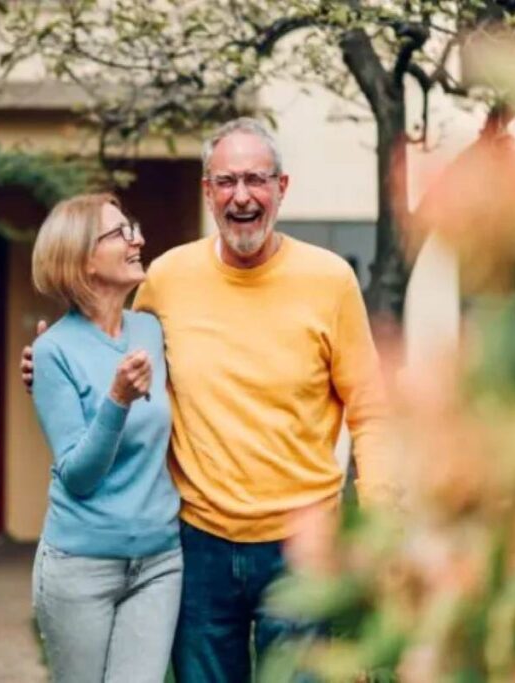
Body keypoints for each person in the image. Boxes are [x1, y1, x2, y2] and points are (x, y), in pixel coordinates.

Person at [24, 119, 393, 682]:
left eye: (255, 179)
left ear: (282, 188)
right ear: (207, 191)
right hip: (196, 547)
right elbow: (103, 339)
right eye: (226, 181)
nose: (241, 195)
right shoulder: (167, 278)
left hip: (304, 546)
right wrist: (45, 363)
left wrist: (381, 520)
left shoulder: (331, 280)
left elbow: (371, 410)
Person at [28, 193, 183, 683]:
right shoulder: (53, 351)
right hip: (81, 564)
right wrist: (116, 400)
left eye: (131, 226)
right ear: (83, 261)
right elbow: (78, 475)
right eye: (120, 233)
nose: (137, 239)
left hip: (159, 559)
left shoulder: (151, 329)